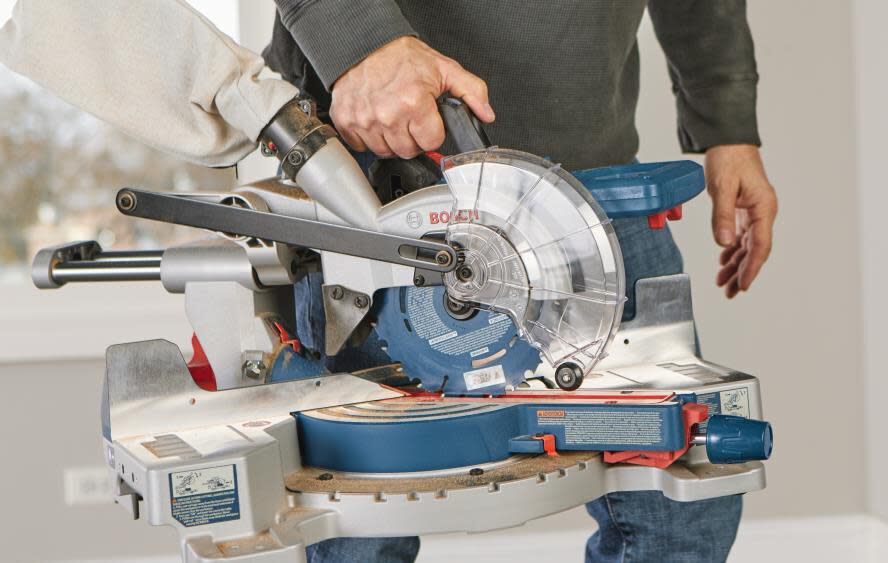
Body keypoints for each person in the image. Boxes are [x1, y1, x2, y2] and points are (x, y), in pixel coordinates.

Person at [263, 2, 778, 562]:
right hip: (378, 178)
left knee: (682, 508)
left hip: (587, 184)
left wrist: (727, 124)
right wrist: (359, 42)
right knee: (362, 525)